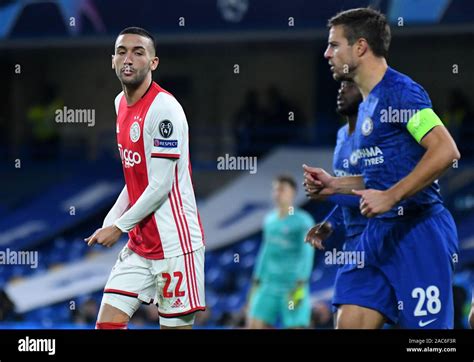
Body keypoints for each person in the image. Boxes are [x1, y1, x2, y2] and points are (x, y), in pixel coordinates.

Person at [304, 8, 460, 329]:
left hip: (419, 234)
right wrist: (334, 185)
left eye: (334, 45)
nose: (326, 53)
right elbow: (380, 177)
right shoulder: (366, 105)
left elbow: (445, 150)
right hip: (376, 237)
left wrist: (391, 196)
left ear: (360, 47)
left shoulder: (402, 94)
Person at [84, 27, 205, 330]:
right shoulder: (119, 104)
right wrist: (110, 221)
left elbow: (160, 186)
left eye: (139, 52)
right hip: (140, 246)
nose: (129, 58)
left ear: (153, 63)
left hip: (175, 245)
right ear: (112, 60)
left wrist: (119, 226)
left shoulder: (164, 109)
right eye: (122, 51)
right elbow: (135, 175)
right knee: (107, 324)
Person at [247, 175, 315, 328]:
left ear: (293, 193)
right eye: (276, 189)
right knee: (254, 323)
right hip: (268, 284)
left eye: (282, 189)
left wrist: (301, 280)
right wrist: (257, 279)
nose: (278, 193)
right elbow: (265, 250)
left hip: (292, 284)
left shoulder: (303, 221)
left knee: (295, 326)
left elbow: (307, 252)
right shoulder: (269, 220)